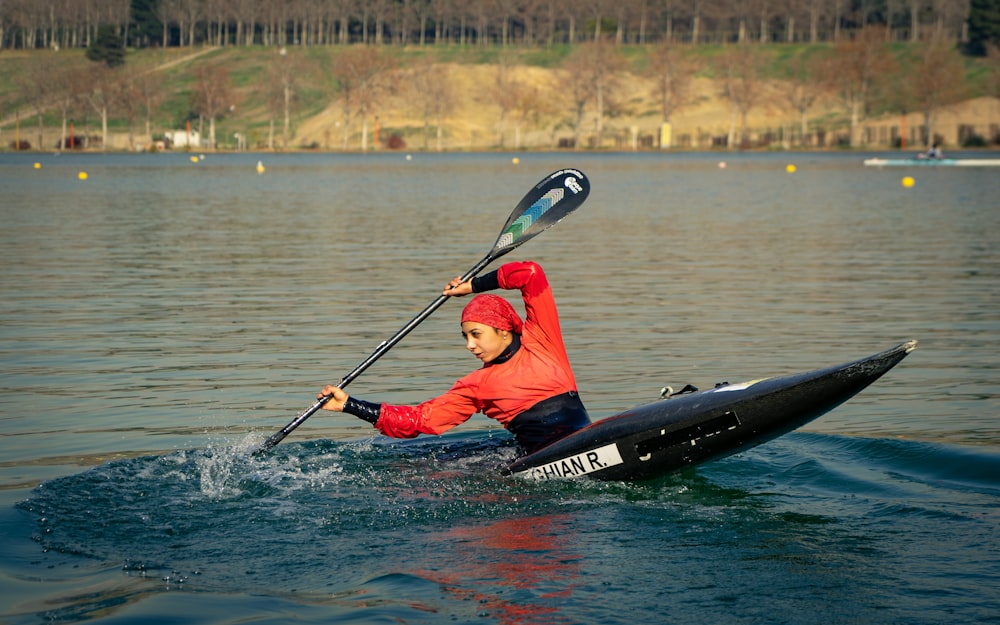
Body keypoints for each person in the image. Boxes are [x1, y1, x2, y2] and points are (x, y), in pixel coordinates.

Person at [317, 260, 590, 454]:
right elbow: (421, 420)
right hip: (539, 458)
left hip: (587, 438)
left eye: (476, 334)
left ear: (505, 331)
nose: (470, 345)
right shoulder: (477, 385)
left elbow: (530, 273)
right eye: (465, 337)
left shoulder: (543, 340)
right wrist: (350, 405)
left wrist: (472, 286)